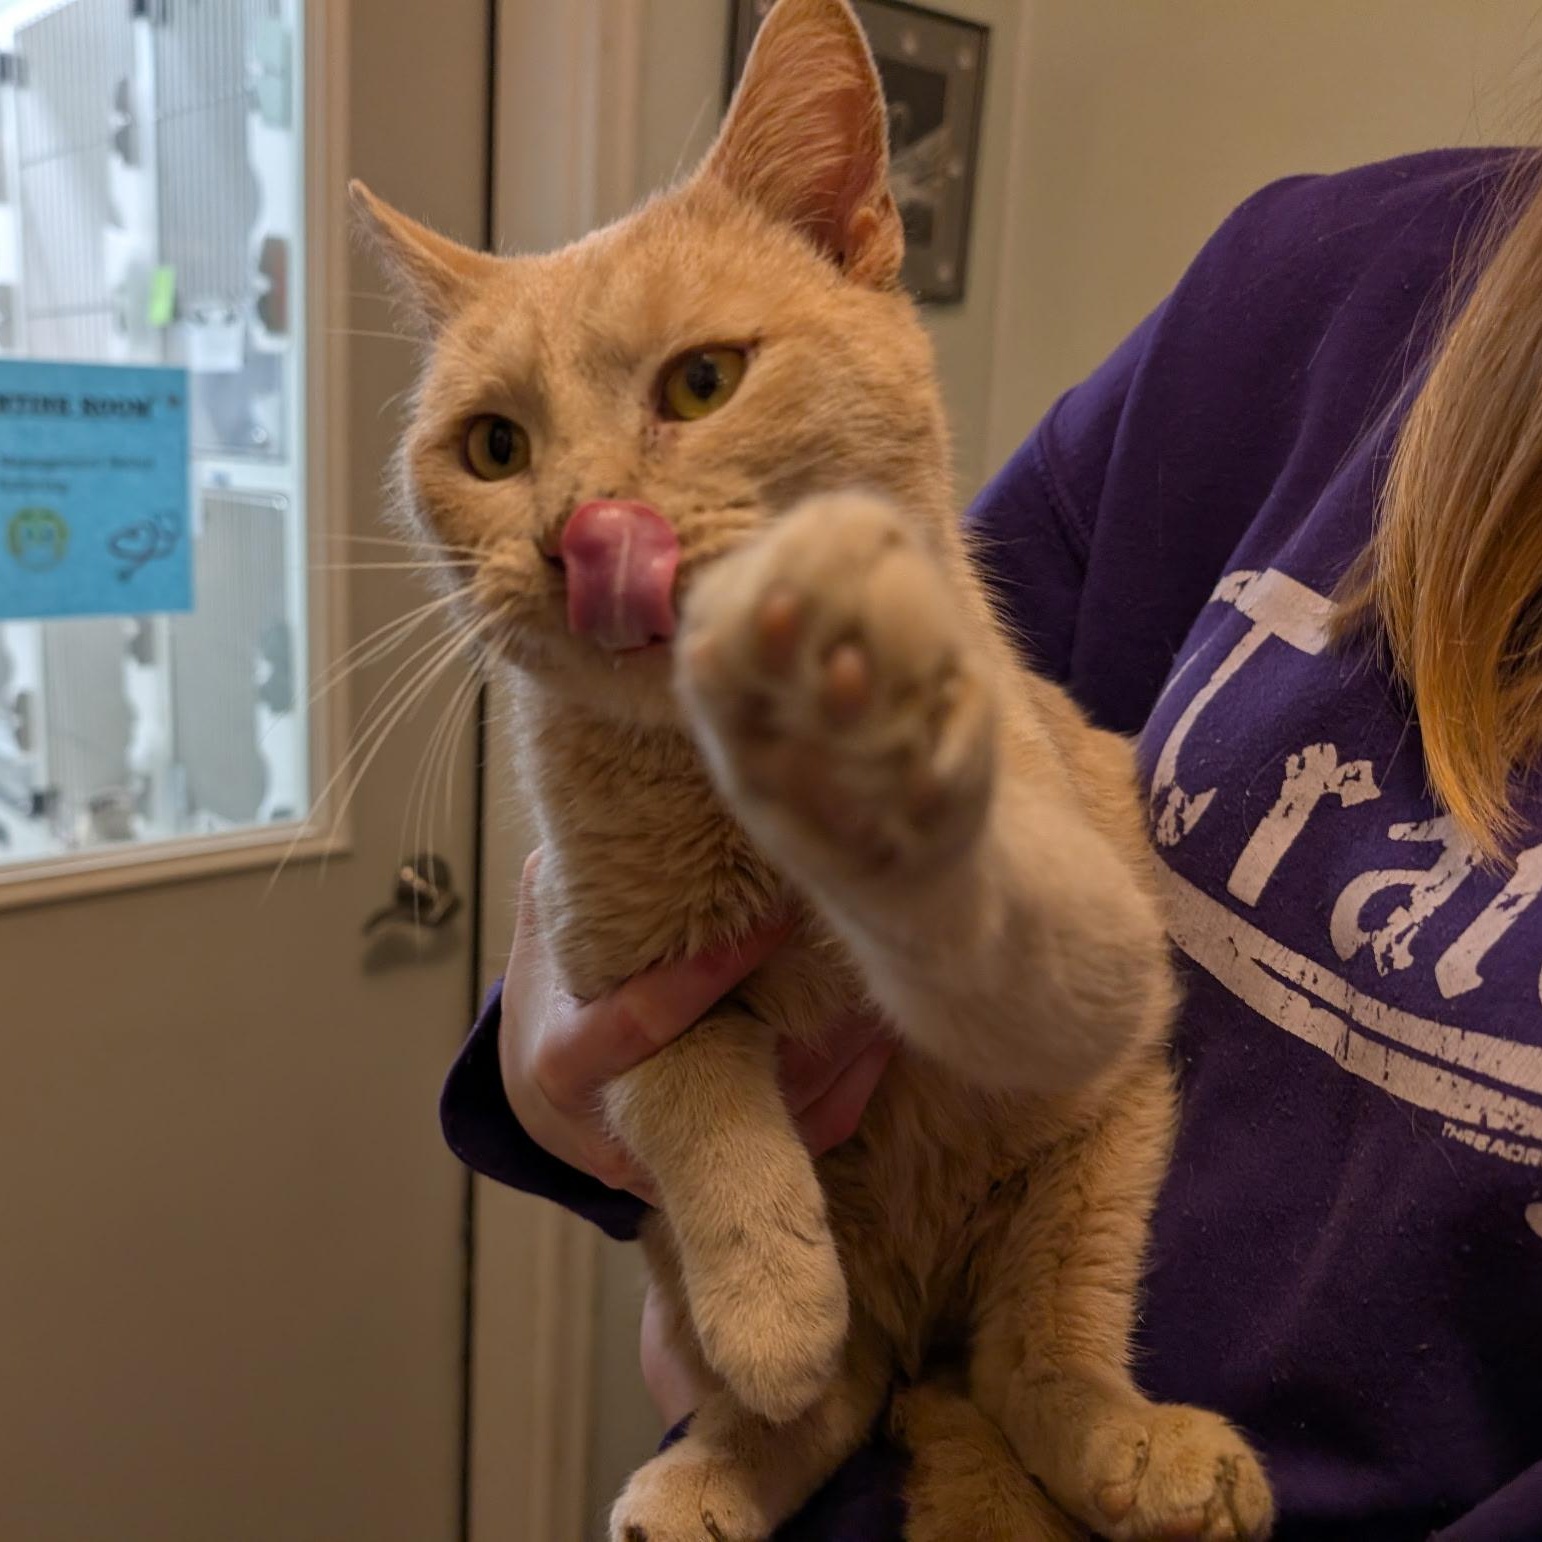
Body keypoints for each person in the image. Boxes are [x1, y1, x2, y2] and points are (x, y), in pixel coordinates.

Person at [441, 147, 1542, 1541]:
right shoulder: (1302, 276)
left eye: (698, 381)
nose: (580, 515)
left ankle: (1026, 1389)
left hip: (1050, 1260)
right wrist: (569, 1069)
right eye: (494, 448)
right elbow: (616, 1054)